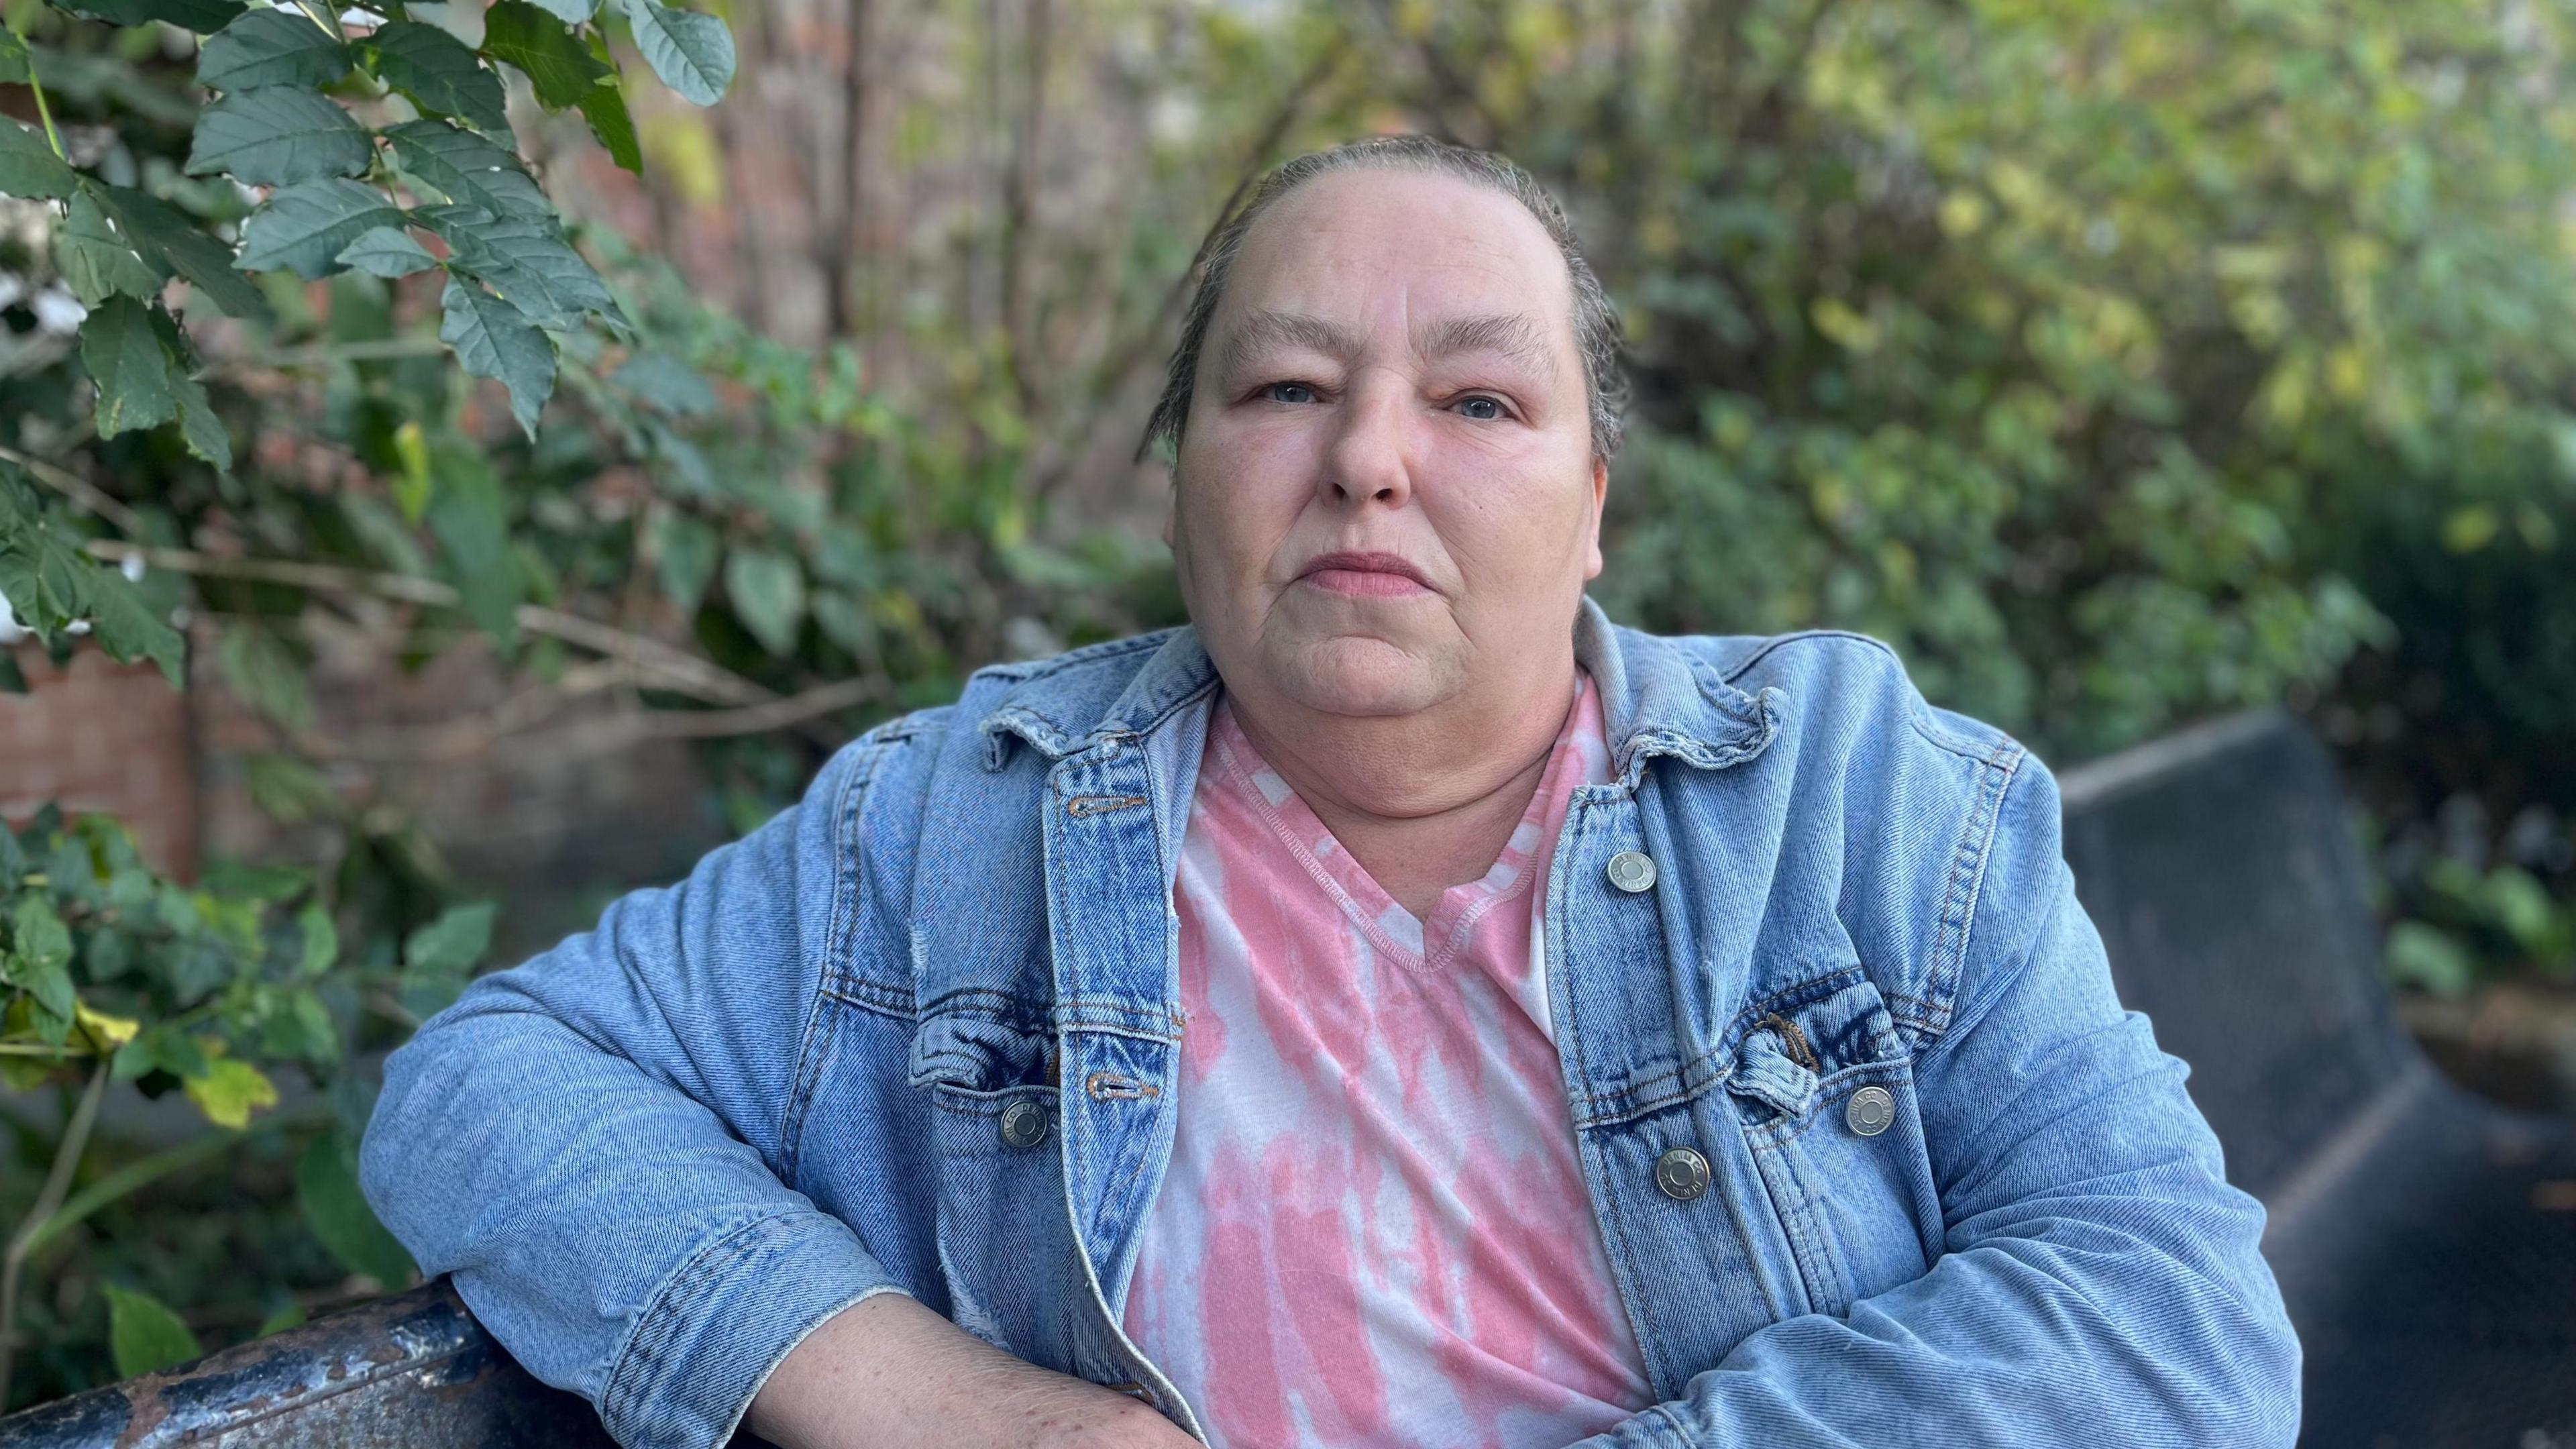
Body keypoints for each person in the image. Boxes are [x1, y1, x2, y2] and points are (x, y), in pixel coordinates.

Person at [360, 136, 2301, 1449]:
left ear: (1595, 504)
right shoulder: (958, 829)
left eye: (1478, 400)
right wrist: (944, 1402)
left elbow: (2173, 1328)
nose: (1371, 457)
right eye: (1284, 387)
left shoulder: (1857, 800)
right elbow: (483, 1088)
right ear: (1183, 469)